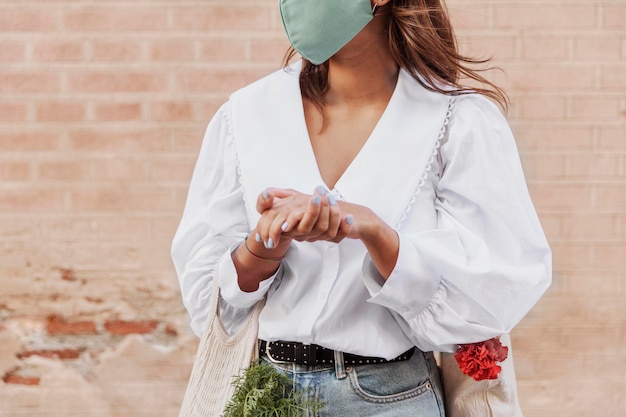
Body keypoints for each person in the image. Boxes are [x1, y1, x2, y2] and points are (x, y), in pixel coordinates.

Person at [171, 0, 552, 415]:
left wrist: (376, 233)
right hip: (267, 392)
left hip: (391, 398)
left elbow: (491, 293)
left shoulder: (459, 123)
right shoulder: (246, 116)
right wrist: (263, 247)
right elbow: (208, 303)